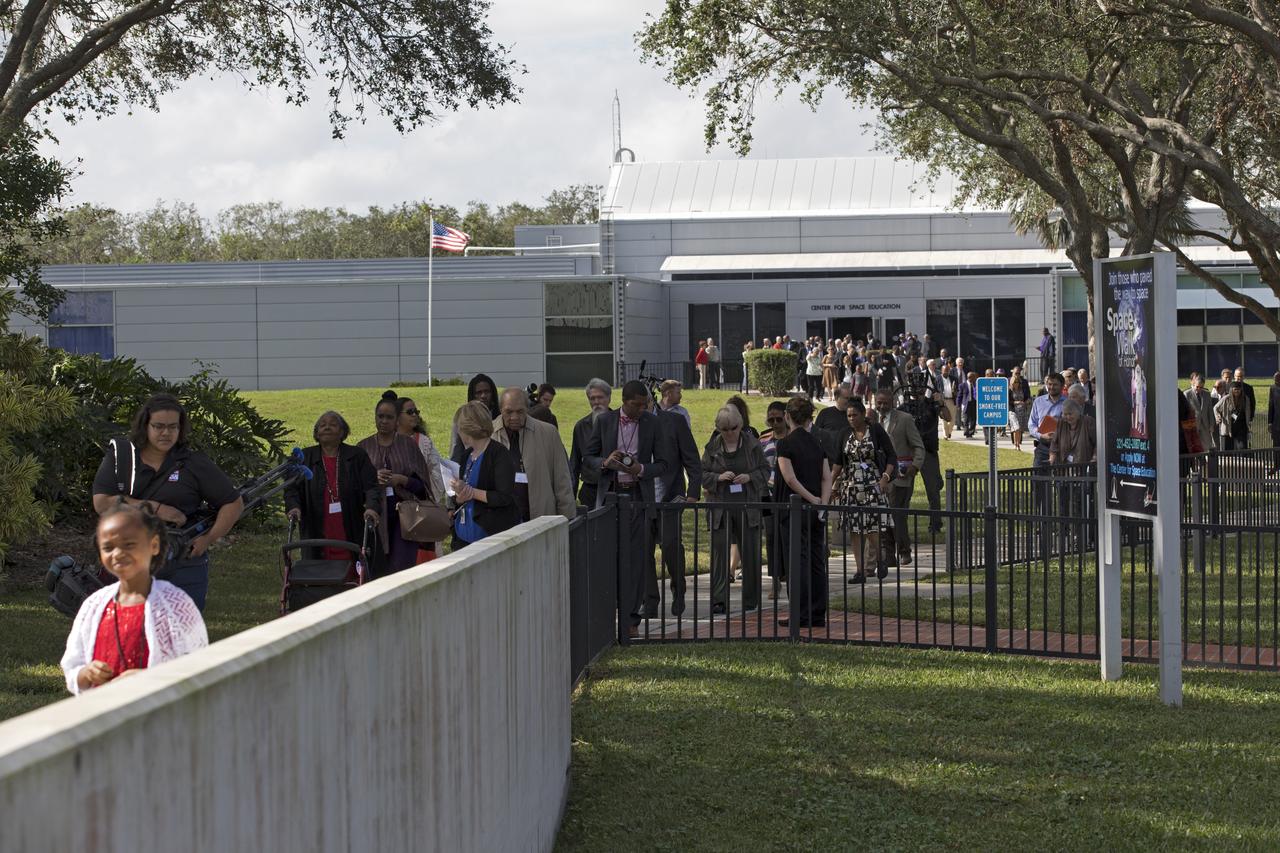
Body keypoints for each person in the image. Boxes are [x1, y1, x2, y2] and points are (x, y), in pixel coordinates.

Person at [91, 393, 244, 611]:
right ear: (146, 426)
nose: (166, 433)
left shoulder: (193, 462)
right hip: (129, 558)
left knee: (181, 634)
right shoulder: (123, 457)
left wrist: (208, 539)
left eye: (173, 427)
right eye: (159, 426)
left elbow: (233, 503)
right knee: (131, 630)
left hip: (182, 563)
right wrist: (158, 509)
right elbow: (102, 503)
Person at [61, 503, 208, 694]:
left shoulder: (175, 604)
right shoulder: (94, 606)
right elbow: (73, 665)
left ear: (154, 545)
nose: (118, 553)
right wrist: (86, 673)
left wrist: (150, 678)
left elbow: (197, 668)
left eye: (129, 544)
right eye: (108, 547)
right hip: (105, 715)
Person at [585, 380, 669, 636]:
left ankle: (631, 619)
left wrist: (641, 469)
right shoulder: (604, 421)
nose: (641, 409)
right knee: (608, 557)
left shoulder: (652, 423)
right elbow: (587, 458)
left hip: (637, 497)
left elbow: (664, 463)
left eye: (645, 405)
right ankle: (607, 614)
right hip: (610, 496)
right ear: (624, 400)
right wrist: (605, 462)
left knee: (637, 559)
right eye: (637, 405)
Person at [285, 411, 381, 562]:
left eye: (333, 424)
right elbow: (291, 488)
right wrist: (294, 507)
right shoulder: (305, 457)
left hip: (351, 524)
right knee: (319, 572)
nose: (327, 427)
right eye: (322, 425)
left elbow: (372, 487)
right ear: (316, 433)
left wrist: (371, 507)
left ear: (342, 431)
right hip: (316, 527)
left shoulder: (357, 455)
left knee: (354, 568)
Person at [701, 405, 769, 614]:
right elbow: (701, 474)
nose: (729, 432)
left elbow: (766, 470)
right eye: (724, 429)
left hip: (748, 507)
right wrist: (717, 478)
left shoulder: (752, 445)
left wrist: (750, 477)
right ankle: (719, 600)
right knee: (719, 555)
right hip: (720, 507)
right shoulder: (712, 448)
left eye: (733, 428)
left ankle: (751, 599)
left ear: (740, 425)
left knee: (750, 553)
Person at [774, 397, 833, 629]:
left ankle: (800, 613)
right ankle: (817, 613)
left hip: (794, 509)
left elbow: (789, 478)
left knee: (796, 561)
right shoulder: (818, 442)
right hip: (816, 510)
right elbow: (826, 477)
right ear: (810, 418)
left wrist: (810, 499)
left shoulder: (785, 444)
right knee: (817, 560)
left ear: (787, 417)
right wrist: (822, 503)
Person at [359, 391, 432, 576]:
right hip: (374, 516)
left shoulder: (408, 445)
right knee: (377, 571)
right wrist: (373, 478)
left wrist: (402, 480)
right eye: (380, 416)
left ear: (397, 420)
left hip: (404, 518)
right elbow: (354, 485)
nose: (384, 421)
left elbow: (423, 486)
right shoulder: (363, 447)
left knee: (400, 571)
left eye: (389, 417)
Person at [834, 399, 896, 583]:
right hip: (851, 485)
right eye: (848, 415)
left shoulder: (875, 431)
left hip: (873, 483)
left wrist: (885, 477)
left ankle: (879, 559)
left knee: (872, 526)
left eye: (854, 415)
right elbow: (838, 462)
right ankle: (860, 571)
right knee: (855, 528)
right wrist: (832, 484)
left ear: (863, 415)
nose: (851, 418)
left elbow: (891, 455)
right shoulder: (844, 434)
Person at [491, 388, 575, 522]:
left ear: (527, 409)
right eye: (508, 412)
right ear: (500, 410)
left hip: (541, 519)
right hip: (501, 522)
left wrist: (567, 518)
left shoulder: (548, 433)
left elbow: (562, 481)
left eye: (520, 411)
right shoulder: (488, 435)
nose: (514, 417)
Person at [651, 401, 702, 616]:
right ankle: (650, 600)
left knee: (671, 545)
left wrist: (693, 492)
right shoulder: (629, 422)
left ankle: (678, 590)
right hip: (641, 498)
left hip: (671, 495)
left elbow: (691, 457)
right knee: (644, 550)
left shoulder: (674, 421)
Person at [450, 401, 520, 550]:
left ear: (468, 429)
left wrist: (471, 492)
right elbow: (462, 496)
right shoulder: (467, 455)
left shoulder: (499, 454)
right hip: (463, 538)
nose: (458, 433)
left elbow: (504, 497)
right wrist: (459, 497)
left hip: (489, 539)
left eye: (459, 428)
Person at [874, 389, 925, 566]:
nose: (881, 406)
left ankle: (904, 550)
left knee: (896, 514)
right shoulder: (872, 421)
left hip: (901, 475)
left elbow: (918, 446)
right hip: (879, 476)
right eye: (878, 403)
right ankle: (888, 555)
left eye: (885, 403)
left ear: (893, 402)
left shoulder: (904, 419)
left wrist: (915, 466)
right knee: (883, 515)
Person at [396, 395, 448, 563]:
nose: (415, 415)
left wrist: (424, 492)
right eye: (410, 412)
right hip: (394, 511)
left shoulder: (424, 442)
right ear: (397, 416)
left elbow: (437, 473)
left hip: (421, 511)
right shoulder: (387, 442)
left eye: (416, 411)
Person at [898, 373, 948, 534]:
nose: (917, 391)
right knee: (905, 491)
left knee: (933, 490)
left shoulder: (931, 405)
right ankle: (901, 522)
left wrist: (941, 403)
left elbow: (947, 416)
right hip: (909, 453)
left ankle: (936, 524)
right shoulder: (904, 406)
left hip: (928, 451)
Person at [760, 401, 789, 599]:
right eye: (772, 419)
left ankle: (789, 576)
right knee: (771, 537)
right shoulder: (763, 439)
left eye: (779, 419)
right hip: (767, 494)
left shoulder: (793, 437)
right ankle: (775, 580)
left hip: (787, 494)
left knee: (786, 537)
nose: (775, 423)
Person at [569, 378, 612, 507]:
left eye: (600, 397)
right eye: (592, 399)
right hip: (590, 490)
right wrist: (571, 496)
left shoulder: (620, 423)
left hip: (614, 489)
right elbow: (575, 463)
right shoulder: (581, 426)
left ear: (609, 398)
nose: (596, 402)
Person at [452, 373, 501, 465]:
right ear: (472, 395)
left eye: (487, 392)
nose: (483, 396)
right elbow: (456, 450)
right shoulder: (462, 417)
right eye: (479, 392)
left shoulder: (500, 417)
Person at [1028, 372, 1067, 469]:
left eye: (1055, 385)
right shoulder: (1038, 401)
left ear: (1062, 386)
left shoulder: (1068, 402)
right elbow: (1031, 424)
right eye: (1049, 384)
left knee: (1061, 481)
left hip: (1062, 446)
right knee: (1039, 479)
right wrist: (1041, 435)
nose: (1051, 387)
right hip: (1043, 446)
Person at [1048, 399, 1096, 466]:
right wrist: (1051, 459)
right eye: (1065, 414)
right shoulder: (1061, 423)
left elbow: (1097, 443)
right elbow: (1054, 443)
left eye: (1070, 414)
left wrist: (1094, 459)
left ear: (1078, 412)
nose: (1068, 417)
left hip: (1084, 466)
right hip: (1065, 466)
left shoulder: (1088, 422)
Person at [1186, 371, 1218, 452]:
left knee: (1206, 446)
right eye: (1197, 387)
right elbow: (1185, 412)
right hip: (1193, 425)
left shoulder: (1207, 394)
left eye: (1201, 387)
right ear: (1193, 384)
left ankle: (1204, 463)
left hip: (1205, 425)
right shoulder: (1187, 394)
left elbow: (1210, 411)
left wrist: (1211, 425)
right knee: (1194, 446)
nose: (1199, 389)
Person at [1215, 381, 1251, 451]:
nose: (1237, 392)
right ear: (1231, 390)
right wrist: (1218, 416)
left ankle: (1242, 461)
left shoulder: (1245, 399)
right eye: (1235, 390)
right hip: (1229, 426)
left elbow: (1248, 411)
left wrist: (1248, 423)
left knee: (1242, 448)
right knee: (1228, 450)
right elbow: (1215, 408)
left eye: (1238, 390)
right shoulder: (1226, 398)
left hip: (1241, 426)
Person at [1008, 365, 1031, 451]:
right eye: (1015, 373)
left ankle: (1018, 443)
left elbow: (1027, 394)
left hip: (1021, 409)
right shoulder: (1008, 382)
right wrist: (1016, 402)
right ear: (1012, 373)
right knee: (1015, 427)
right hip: (1012, 409)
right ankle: (1015, 444)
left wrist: (1027, 401)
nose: (1017, 375)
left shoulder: (1024, 383)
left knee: (1019, 428)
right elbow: (1007, 399)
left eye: (1018, 373)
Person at [956, 371, 978, 438]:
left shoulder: (976, 385)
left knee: (973, 419)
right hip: (966, 404)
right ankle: (966, 432)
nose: (975, 379)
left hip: (974, 403)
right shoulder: (962, 385)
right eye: (974, 377)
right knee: (966, 419)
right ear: (969, 377)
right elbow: (959, 396)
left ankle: (971, 433)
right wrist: (958, 405)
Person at [1269, 373, 1280, 470]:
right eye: (1275, 380)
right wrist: (1270, 422)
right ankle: (1276, 466)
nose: (1276, 381)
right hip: (1276, 423)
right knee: (1276, 445)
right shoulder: (1272, 388)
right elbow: (1271, 406)